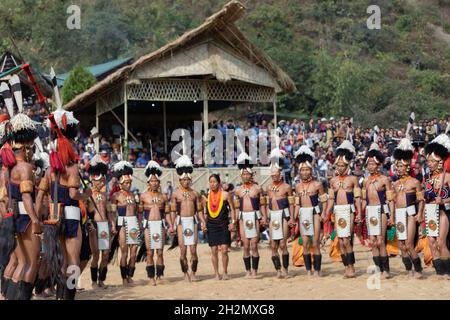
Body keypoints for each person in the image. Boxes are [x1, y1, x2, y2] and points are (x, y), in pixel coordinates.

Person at [36, 108, 92, 300]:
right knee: (73, 260)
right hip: (71, 214)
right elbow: (74, 194)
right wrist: (87, 195)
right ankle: (68, 295)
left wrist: (37, 218)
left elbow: (41, 193)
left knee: (61, 261)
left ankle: (61, 294)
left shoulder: (50, 169)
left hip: (54, 214)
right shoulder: (71, 168)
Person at [327, 140, 362, 278]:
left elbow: (358, 198)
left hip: (349, 209)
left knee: (347, 239)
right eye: (338, 165)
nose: (340, 168)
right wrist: (326, 212)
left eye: (343, 165)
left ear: (347, 166)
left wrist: (358, 213)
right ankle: (346, 265)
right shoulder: (332, 181)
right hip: (337, 210)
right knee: (340, 241)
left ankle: (351, 267)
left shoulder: (353, 179)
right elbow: (331, 199)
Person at [170, 153, 205, 282]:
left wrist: (203, 222)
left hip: (193, 221)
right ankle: (185, 273)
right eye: (183, 180)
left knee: (193, 250)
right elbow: (173, 211)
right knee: (183, 250)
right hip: (180, 222)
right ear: (180, 180)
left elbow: (200, 210)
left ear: (190, 180)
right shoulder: (175, 194)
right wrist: (172, 224)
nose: (186, 181)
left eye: (187, 180)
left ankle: (194, 272)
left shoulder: (195, 193)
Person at [362, 143, 395, 279]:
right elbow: (364, 200)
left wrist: (391, 216)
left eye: (372, 164)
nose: (370, 166)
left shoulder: (385, 180)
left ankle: (386, 270)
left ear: (378, 165)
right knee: (373, 241)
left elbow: (390, 200)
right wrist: (360, 213)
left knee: (380, 240)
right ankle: (378, 268)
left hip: (381, 210)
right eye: (368, 164)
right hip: (370, 211)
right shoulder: (365, 181)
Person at [294, 145, 328, 276]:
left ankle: (318, 270)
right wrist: (294, 217)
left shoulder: (317, 184)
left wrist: (323, 213)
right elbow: (297, 203)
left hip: (314, 213)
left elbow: (324, 200)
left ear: (311, 170)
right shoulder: (297, 186)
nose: (305, 172)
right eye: (302, 170)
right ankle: (308, 270)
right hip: (303, 213)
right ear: (299, 172)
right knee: (306, 243)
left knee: (315, 242)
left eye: (307, 170)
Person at [392, 138, 424, 278]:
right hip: (398, 214)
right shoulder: (395, 184)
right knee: (401, 245)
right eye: (397, 167)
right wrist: (391, 216)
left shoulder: (415, 182)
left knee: (409, 244)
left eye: (401, 166)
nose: (398, 169)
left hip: (410, 214)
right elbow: (392, 202)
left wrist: (420, 214)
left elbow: (421, 200)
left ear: (407, 167)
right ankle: (408, 269)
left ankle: (418, 269)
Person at [234, 151, 266, 278]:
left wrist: (264, 217)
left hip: (255, 216)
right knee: (245, 245)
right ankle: (247, 271)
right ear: (241, 175)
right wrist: (234, 221)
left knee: (254, 244)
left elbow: (263, 205)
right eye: (244, 174)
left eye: (248, 174)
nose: (246, 176)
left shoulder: (257, 189)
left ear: (251, 175)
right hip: (242, 218)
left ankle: (255, 271)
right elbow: (236, 208)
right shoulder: (238, 190)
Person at [139, 160, 171, 286]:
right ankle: (151, 276)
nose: (154, 183)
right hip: (148, 225)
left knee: (160, 252)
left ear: (159, 182)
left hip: (160, 224)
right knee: (149, 252)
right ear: (148, 182)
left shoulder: (164, 197)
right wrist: (140, 225)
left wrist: (171, 225)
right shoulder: (143, 196)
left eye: (156, 181)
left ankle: (159, 275)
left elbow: (167, 213)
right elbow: (140, 212)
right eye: (152, 181)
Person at [109, 161, 141, 285]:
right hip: (122, 223)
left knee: (133, 253)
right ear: (121, 182)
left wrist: (139, 223)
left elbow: (138, 212)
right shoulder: (115, 196)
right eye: (126, 182)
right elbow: (112, 213)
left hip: (133, 223)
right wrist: (113, 225)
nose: (128, 184)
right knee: (125, 252)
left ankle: (130, 275)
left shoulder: (134, 195)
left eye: (129, 182)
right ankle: (123, 278)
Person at [86, 155, 115, 288]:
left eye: (103, 181)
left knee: (106, 254)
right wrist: (88, 224)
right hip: (94, 225)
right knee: (96, 254)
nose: (102, 183)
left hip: (105, 226)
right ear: (93, 180)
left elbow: (109, 211)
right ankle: (93, 281)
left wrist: (113, 224)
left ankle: (101, 280)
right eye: (100, 181)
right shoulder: (87, 193)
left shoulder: (104, 195)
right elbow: (84, 212)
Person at [424, 134, 450, 278]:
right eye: (428, 161)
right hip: (430, 212)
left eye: (432, 161)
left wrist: (444, 200)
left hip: (444, 212)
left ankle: (448, 271)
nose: (429, 163)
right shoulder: (427, 178)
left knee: (441, 241)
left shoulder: (447, 176)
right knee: (432, 242)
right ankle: (439, 271)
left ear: (439, 162)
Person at [265, 148, 294, 278]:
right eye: (272, 174)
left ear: (280, 173)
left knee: (283, 243)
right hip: (273, 215)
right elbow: (267, 203)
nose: (274, 175)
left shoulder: (287, 187)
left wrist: (292, 218)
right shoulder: (269, 188)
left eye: (276, 173)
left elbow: (292, 203)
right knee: (273, 244)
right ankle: (278, 270)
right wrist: (265, 217)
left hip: (284, 215)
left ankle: (285, 269)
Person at [202, 174, 236, 280]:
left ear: (219, 182)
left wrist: (233, 222)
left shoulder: (226, 195)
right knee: (214, 250)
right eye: (210, 182)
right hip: (211, 225)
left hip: (224, 224)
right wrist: (204, 224)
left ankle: (225, 272)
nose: (212, 184)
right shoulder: (206, 197)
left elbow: (232, 209)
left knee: (225, 250)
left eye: (214, 182)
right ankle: (216, 273)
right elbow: (205, 212)